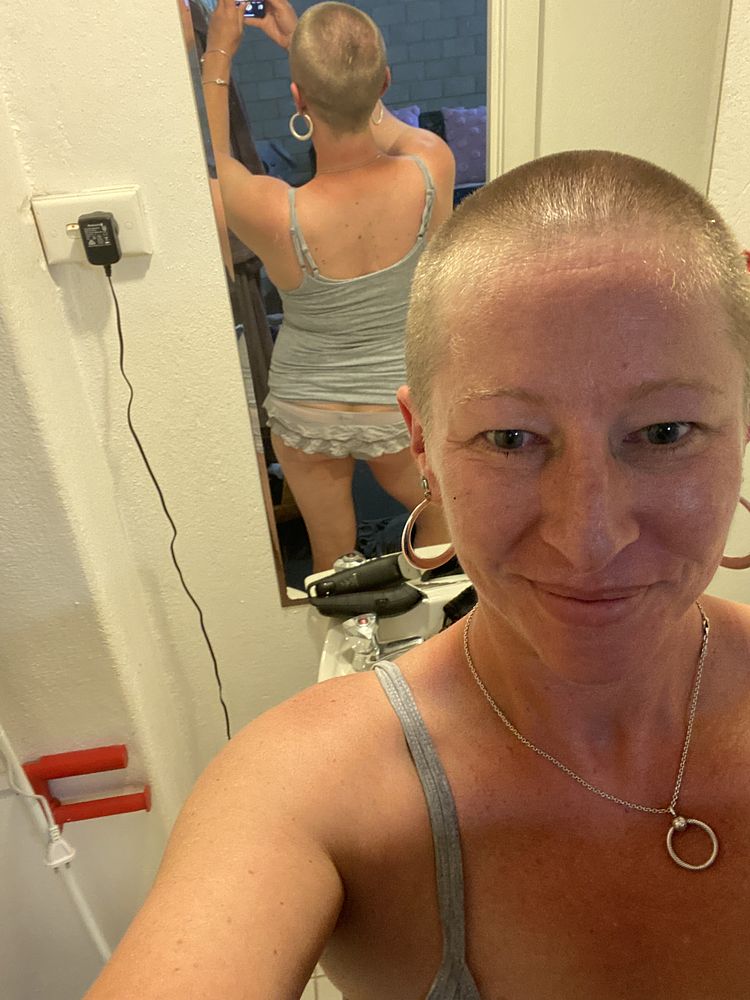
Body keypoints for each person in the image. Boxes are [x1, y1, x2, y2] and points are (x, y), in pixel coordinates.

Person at [84, 149, 750, 998]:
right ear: (423, 442)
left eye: (664, 433)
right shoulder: (310, 788)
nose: (590, 538)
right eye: (510, 438)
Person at [202, 0, 455, 572]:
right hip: (396, 404)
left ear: (298, 99)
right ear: (383, 82)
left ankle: (349, 631)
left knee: (331, 558)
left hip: (305, 406)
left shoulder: (271, 209)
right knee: (439, 530)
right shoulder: (430, 166)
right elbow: (383, 121)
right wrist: (319, 59)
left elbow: (217, 160)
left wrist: (218, 55)